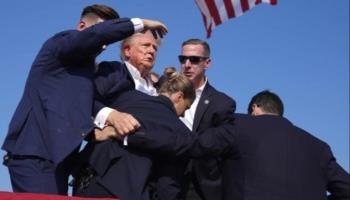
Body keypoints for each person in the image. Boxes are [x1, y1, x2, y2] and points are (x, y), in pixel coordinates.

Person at [1, 4, 168, 195]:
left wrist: (95, 133)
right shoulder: (60, 44)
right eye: (102, 33)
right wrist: (140, 23)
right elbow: (96, 36)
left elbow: (75, 107)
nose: (103, 45)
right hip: (36, 154)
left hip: (61, 159)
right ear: (82, 26)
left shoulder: (86, 71)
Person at [124, 90, 350, 200]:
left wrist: (132, 135)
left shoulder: (238, 126)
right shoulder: (318, 147)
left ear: (254, 108)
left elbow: (191, 144)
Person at [73, 73, 197, 200]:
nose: (182, 115)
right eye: (186, 108)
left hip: (84, 179)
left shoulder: (128, 96)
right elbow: (167, 185)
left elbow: (85, 107)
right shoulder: (181, 133)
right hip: (123, 191)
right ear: (179, 96)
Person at [178, 38, 236, 200]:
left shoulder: (222, 103)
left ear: (207, 63)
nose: (187, 64)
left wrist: (183, 143)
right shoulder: (165, 91)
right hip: (166, 182)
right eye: (183, 59)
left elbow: (223, 140)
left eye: (194, 59)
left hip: (200, 187)